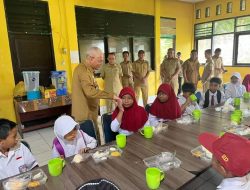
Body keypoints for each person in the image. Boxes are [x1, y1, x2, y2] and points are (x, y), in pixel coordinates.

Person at [72, 47, 120, 143]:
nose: (101, 63)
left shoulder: (89, 70)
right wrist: (112, 96)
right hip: (85, 113)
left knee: (95, 137)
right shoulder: (83, 70)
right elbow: (90, 91)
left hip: (91, 110)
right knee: (90, 141)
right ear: (90, 58)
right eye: (99, 61)